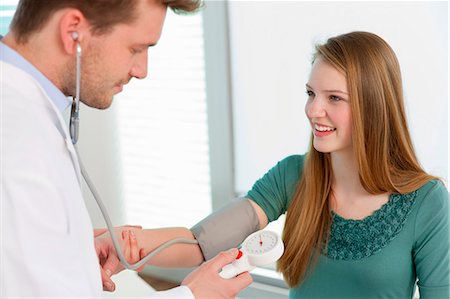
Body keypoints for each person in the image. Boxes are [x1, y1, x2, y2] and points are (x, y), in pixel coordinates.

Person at [99, 31, 450, 298]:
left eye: (334, 98)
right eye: (311, 93)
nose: (314, 110)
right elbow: (199, 242)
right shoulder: (293, 176)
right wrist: (127, 242)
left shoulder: (427, 201)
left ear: (374, 106)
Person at [0, 0, 252, 297]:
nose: (141, 70)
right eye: (135, 49)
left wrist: (74, 256)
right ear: (73, 32)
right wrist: (193, 294)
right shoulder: (17, 145)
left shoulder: (29, 113)